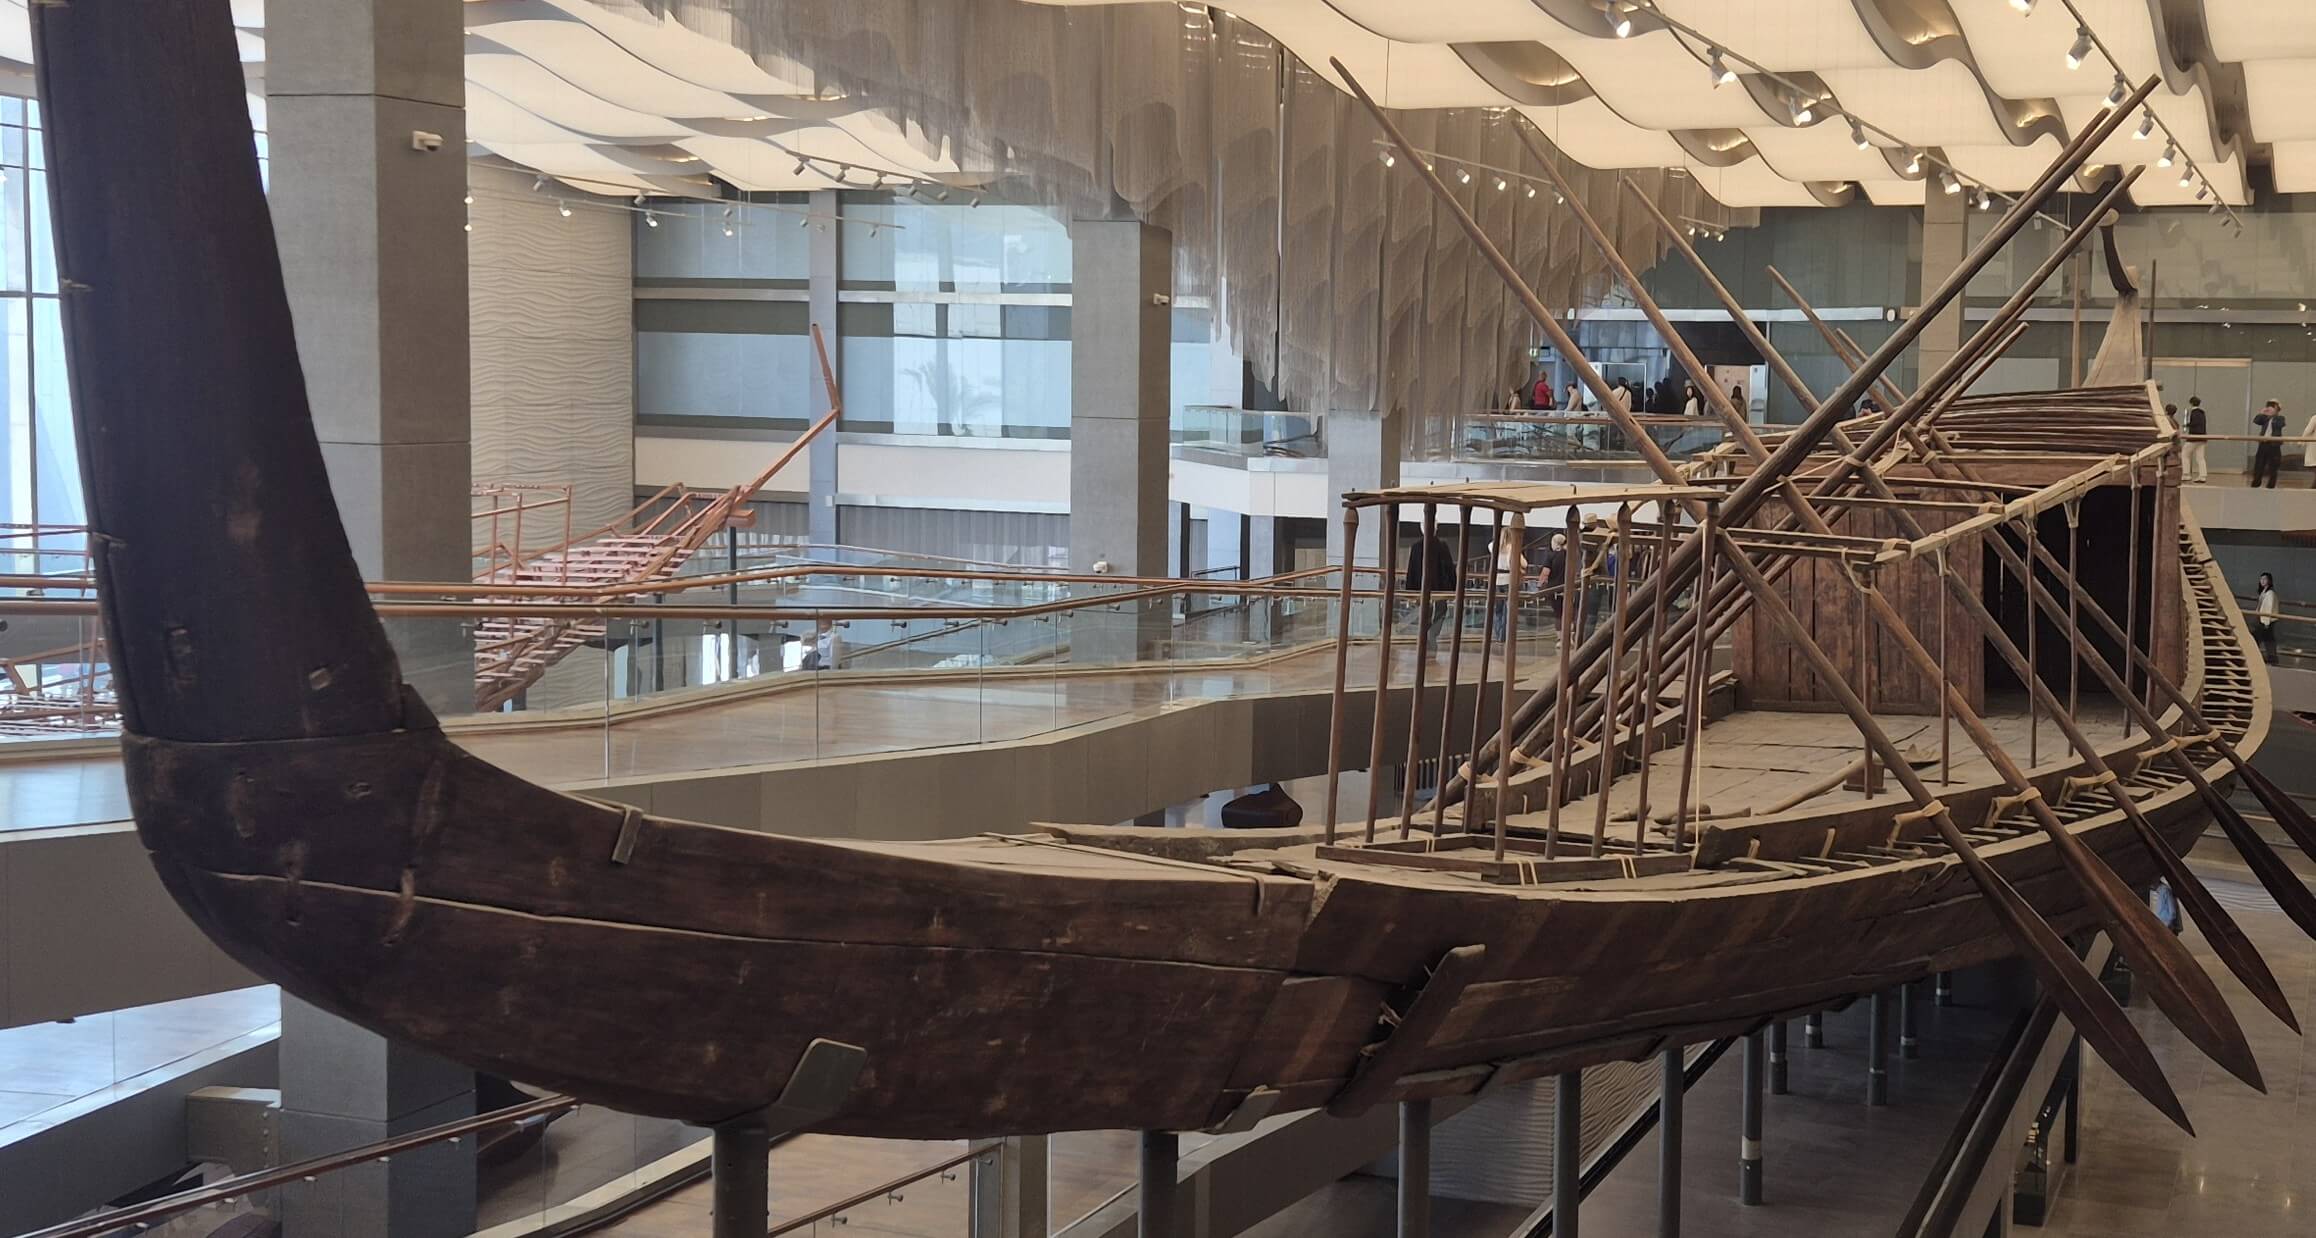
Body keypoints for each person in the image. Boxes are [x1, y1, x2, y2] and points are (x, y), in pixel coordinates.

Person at [1403, 523, 1458, 638]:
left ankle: (1428, 637)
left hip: (1425, 589)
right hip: (1440, 589)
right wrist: (1453, 588)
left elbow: (1412, 570)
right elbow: (1450, 569)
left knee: (1427, 614)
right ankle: (1430, 636)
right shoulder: (1442, 546)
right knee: (1439, 612)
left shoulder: (1417, 547)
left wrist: (1410, 591)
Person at [2253, 399, 2286, 488]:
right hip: (2263, 444)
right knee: (2259, 464)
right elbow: (2256, 421)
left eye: (2272, 407)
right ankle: (2256, 483)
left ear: (2277, 409)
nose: (2269, 409)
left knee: (2273, 466)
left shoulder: (2280, 418)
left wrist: (2272, 416)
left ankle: (2271, 485)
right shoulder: (2265, 418)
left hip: (2274, 445)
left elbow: (2280, 425)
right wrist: (2262, 413)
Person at [2178, 396, 2208, 483]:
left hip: (2193, 437)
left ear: (2191, 403)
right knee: (2200, 457)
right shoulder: (2202, 413)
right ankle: (2203, 476)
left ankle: (2186, 474)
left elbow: (2194, 423)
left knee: (2185, 454)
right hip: (2202, 437)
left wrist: (2186, 425)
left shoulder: (2193, 413)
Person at [2256, 572, 2280, 663]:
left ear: (2269, 581)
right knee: (2268, 639)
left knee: (2261, 638)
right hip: (2264, 620)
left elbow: (2269, 608)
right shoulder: (2264, 592)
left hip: (2267, 621)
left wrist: (2266, 622)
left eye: (2264, 579)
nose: (2262, 581)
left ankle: (2271, 657)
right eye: (2261, 579)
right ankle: (2272, 657)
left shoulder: (2270, 593)